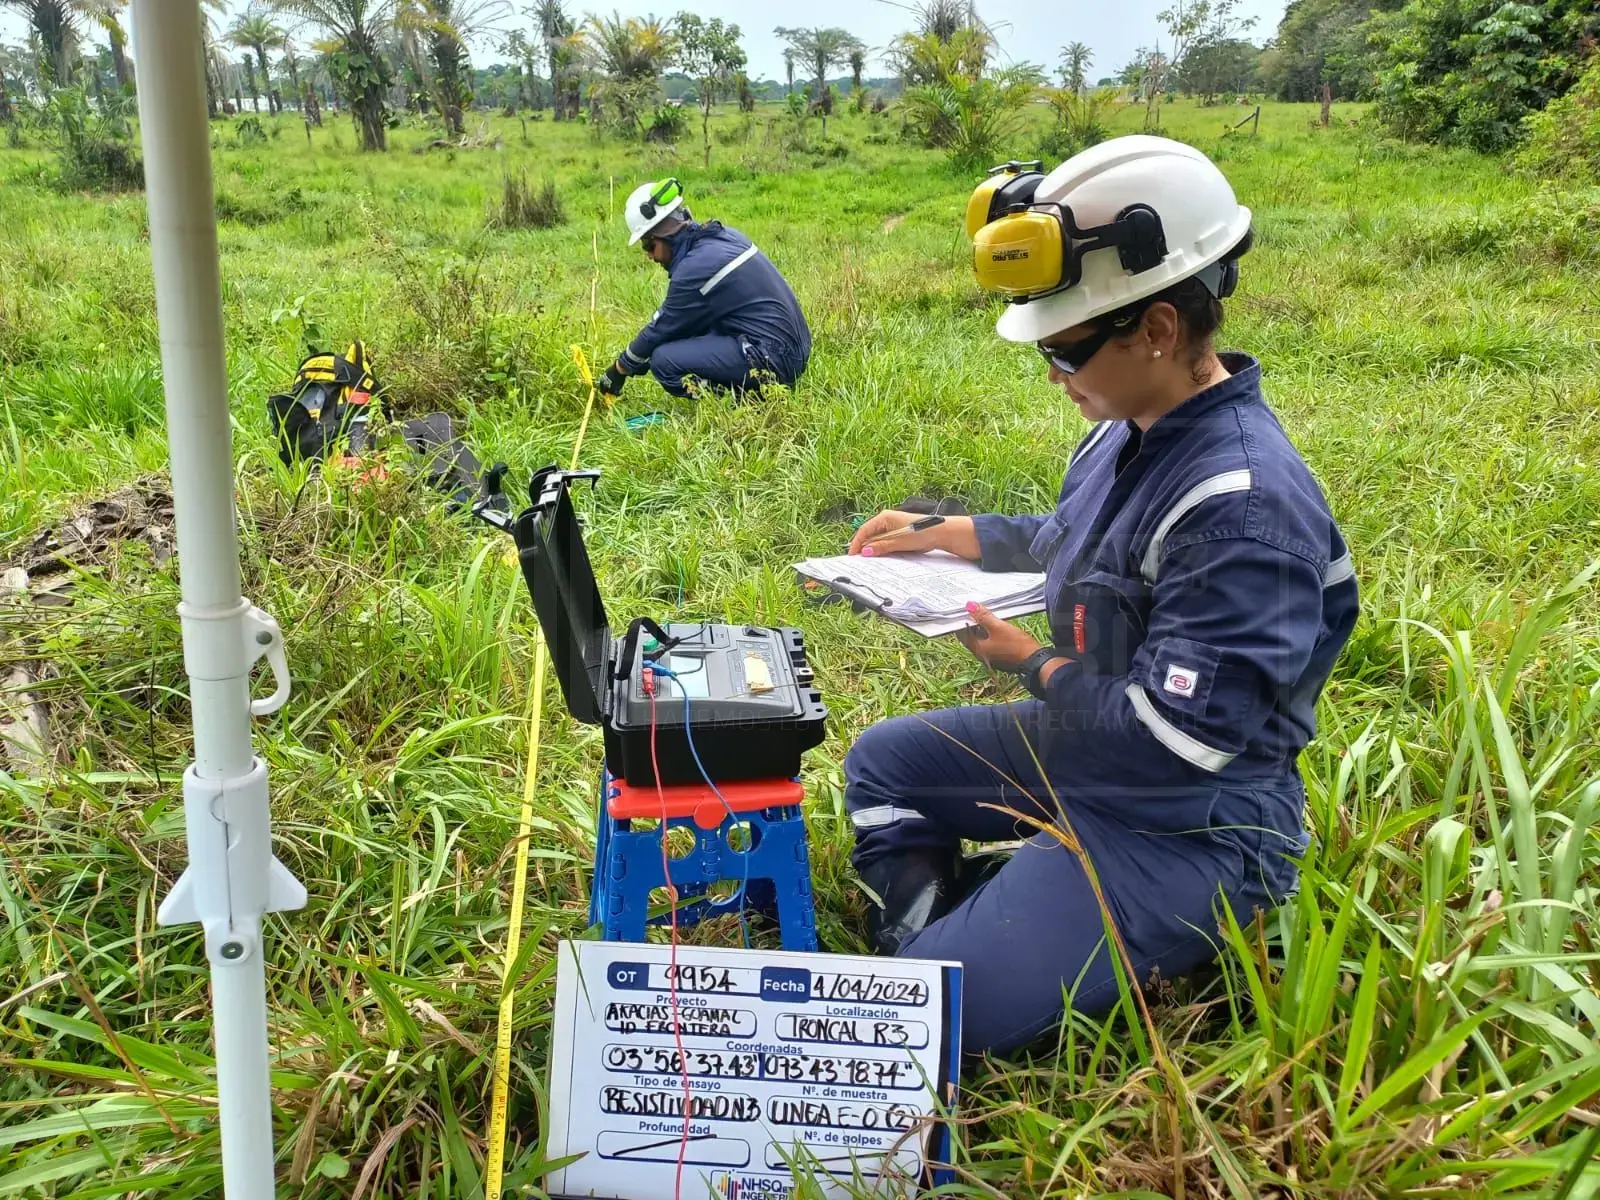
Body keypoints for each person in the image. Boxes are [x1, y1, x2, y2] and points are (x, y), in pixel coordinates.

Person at [841, 136, 1359, 1057]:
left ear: (1156, 330)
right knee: (884, 764)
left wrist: (1033, 662)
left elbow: (1179, 740)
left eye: (1067, 349)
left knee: (925, 1023)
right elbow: (1071, 536)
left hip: (1188, 824)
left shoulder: (1243, 509)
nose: (1052, 372)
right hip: (1091, 755)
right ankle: (964, 926)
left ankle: (985, 946)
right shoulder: (1128, 424)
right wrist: (949, 534)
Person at [596, 179, 811, 401]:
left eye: (648, 246)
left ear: (666, 234)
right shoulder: (726, 236)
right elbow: (684, 326)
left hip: (775, 359)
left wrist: (620, 368)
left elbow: (661, 328)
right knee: (685, 335)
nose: (650, 256)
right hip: (795, 349)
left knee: (664, 362)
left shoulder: (694, 268)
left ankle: (742, 401)